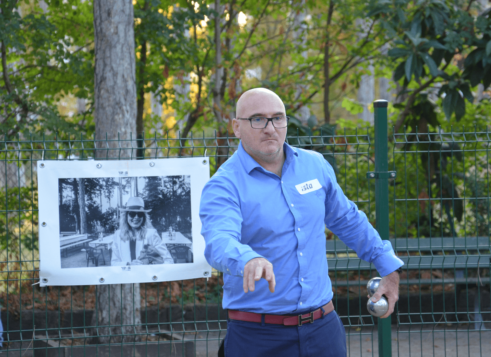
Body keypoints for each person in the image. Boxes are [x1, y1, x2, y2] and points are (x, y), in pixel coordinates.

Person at [200, 88, 404, 357]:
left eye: (278, 118)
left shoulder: (315, 165)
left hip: (323, 331)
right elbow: (219, 240)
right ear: (237, 127)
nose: (270, 128)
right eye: (258, 119)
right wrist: (247, 259)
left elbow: (347, 220)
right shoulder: (224, 185)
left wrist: (387, 266)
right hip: (258, 337)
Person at [111, 196, 174, 266]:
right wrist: (129, 264)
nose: (136, 217)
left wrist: (150, 265)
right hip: (126, 275)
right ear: (126, 216)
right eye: (132, 214)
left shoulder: (151, 234)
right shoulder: (118, 235)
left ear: (144, 217)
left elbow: (169, 261)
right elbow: (114, 263)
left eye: (140, 214)